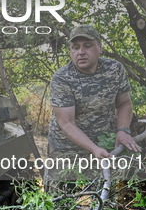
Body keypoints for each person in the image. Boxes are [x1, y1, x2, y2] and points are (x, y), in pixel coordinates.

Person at [43, 24, 141, 193]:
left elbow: (124, 103)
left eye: (87, 46)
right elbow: (67, 123)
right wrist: (93, 149)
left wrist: (123, 130)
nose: (81, 51)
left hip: (102, 144)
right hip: (65, 149)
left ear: (100, 47)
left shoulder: (114, 69)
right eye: (75, 47)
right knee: (58, 207)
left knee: (105, 201)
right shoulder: (62, 78)